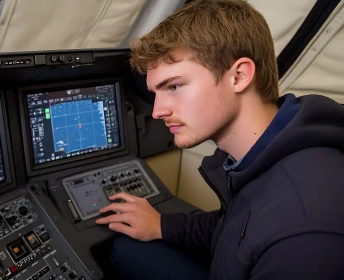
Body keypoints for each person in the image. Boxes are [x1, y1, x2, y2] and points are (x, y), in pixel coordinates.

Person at [95, 0, 344, 279]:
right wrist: (162, 225)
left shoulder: (305, 236)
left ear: (238, 76)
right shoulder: (255, 156)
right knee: (125, 248)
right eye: (156, 92)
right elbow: (236, 229)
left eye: (174, 86)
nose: (157, 111)